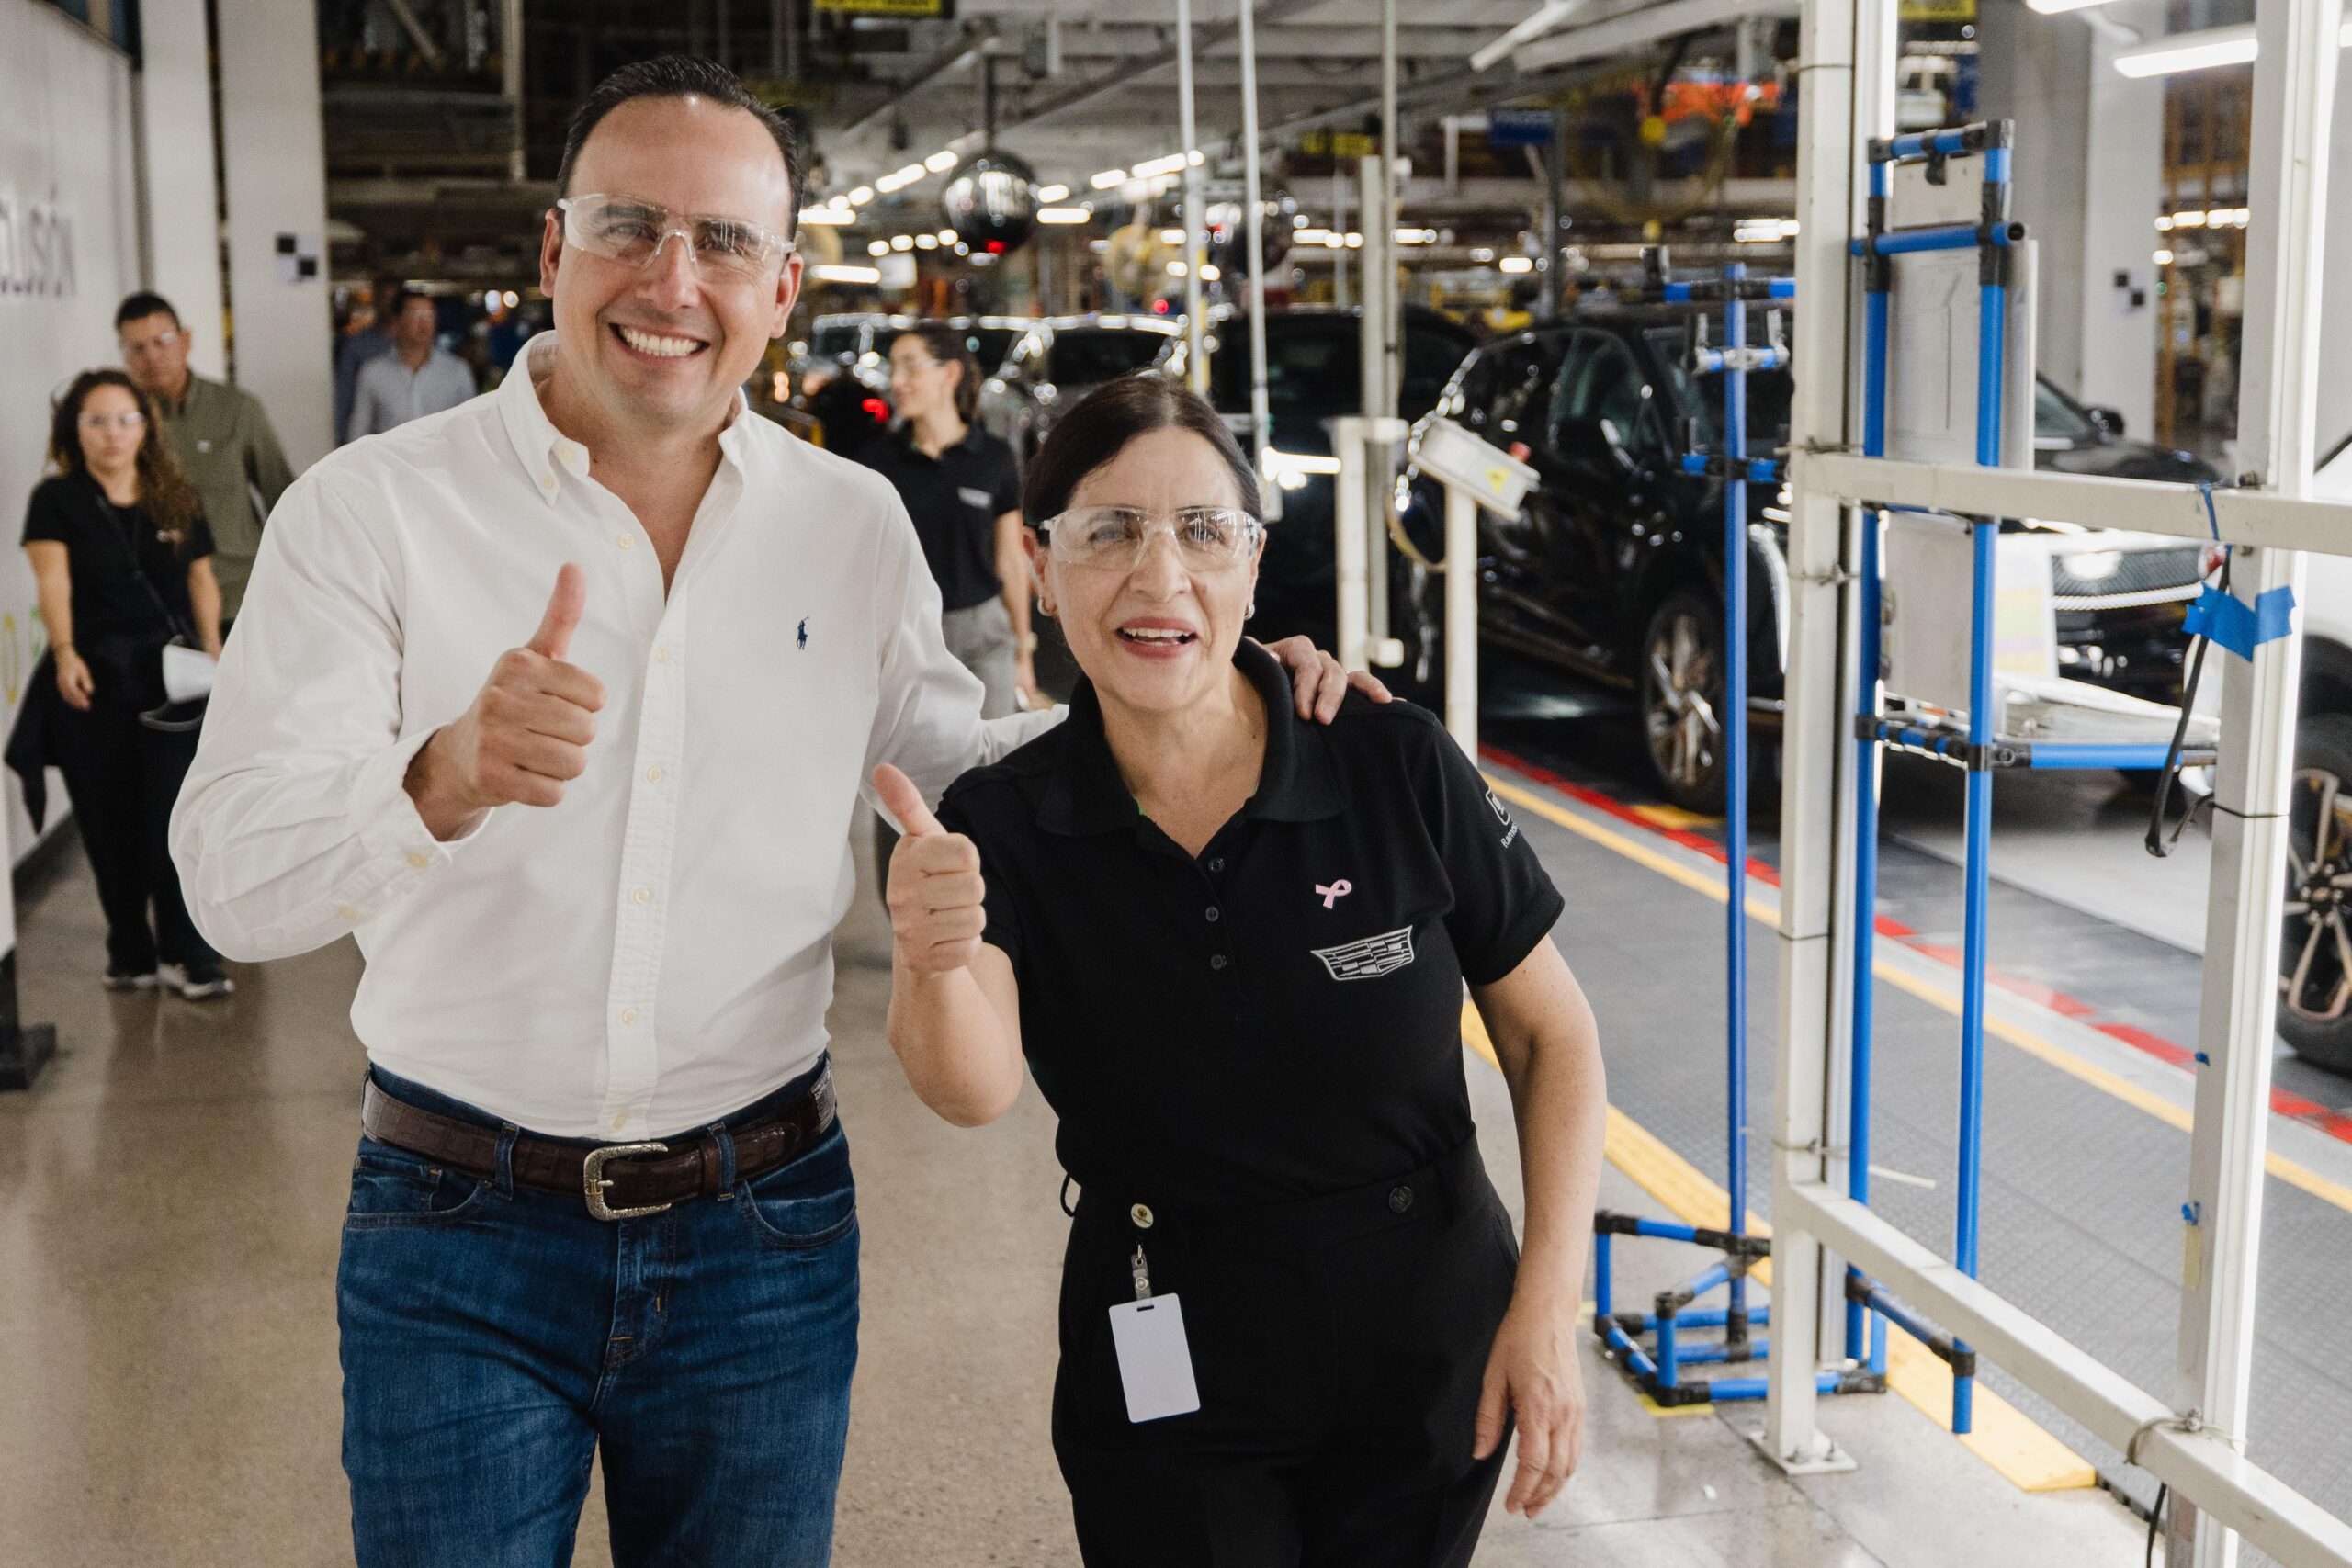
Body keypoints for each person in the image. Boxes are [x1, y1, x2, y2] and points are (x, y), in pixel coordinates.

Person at [169, 56, 1369, 1568]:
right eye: (629, 225)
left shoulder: (847, 521)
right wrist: (440, 776)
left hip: (762, 1229)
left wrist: (1221, 701)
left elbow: (951, 761)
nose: (673, 280)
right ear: (554, 247)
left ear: (783, 286)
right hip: (453, 1227)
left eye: (725, 241)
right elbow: (230, 883)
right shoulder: (372, 511)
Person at [874, 375, 1607, 1566]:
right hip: (1163, 1322)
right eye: (1109, 531)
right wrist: (931, 951)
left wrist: (1548, 1309)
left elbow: (1549, 1036)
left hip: (1424, 1331)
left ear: (1253, 563)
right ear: (1040, 563)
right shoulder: (1003, 821)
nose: (1159, 575)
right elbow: (972, 1088)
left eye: (1203, 530)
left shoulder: (1391, 762)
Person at [14, 371, 231, 1000]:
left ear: (145, 427)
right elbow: (53, 582)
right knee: (109, 822)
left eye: (125, 419)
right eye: (97, 421)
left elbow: (201, 578)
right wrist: (64, 652)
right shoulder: (57, 500)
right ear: (74, 430)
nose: (113, 434)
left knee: (177, 817)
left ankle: (189, 953)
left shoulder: (174, 495)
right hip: (94, 678)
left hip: (172, 680)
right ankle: (129, 949)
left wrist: (214, 648)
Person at [862, 324, 1034, 713]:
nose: (897, 381)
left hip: (983, 636)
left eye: (910, 367)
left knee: (991, 748)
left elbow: (1010, 559)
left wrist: (1023, 651)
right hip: (907, 640)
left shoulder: (993, 458)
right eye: (893, 368)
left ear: (950, 374)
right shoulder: (878, 463)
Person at [116, 292, 297, 626]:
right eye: (137, 348)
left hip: (239, 592)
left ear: (185, 340)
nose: (152, 357)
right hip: (157, 601)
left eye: (162, 342)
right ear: (124, 355)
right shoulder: (117, 424)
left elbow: (284, 496)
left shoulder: (236, 409)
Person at [345, 288, 478, 438]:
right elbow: (358, 431)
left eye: (429, 315)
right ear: (396, 322)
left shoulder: (457, 371)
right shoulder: (372, 372)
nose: (424, 324)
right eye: (415, 315)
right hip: (392, 453)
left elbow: (471, 428)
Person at [334, 279, 401, 444]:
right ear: (376, 300)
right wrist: (341, 440)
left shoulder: (420, 345)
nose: (390, 304)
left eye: (395, 299)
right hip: (370, 436)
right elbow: (343, 396)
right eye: (385, 298)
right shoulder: (357, 346)